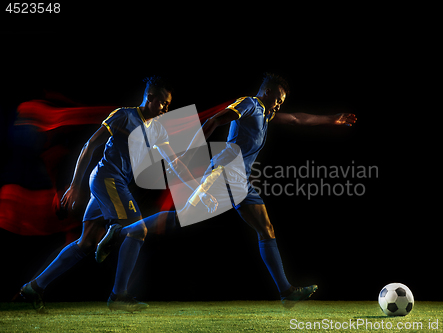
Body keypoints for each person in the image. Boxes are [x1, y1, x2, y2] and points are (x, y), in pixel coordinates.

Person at [98, 73, 357, 308]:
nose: (279, 105)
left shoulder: (266, 114)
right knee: (180, 219)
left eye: (281, 101)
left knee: (266, 228)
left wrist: (332, 119)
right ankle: (120, 231)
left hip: (241, 180)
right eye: (277, 99)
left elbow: (299, 119)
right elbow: (215, 119)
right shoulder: (250, 104)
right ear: (266, 92)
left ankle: (286, 290)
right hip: (223, 173)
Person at [16, 76, 217, 313]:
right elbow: (90, 145)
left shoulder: (158, 130)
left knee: (85, 243)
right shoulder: (124, 115)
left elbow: (174, 163)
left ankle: (35, 286)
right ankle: (118, 294)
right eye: (163, 102)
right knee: (139, 230)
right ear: (149, 97)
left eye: (168, 104)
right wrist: (74, 185)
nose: (166, 108)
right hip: (106, 179)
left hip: (114, 183)